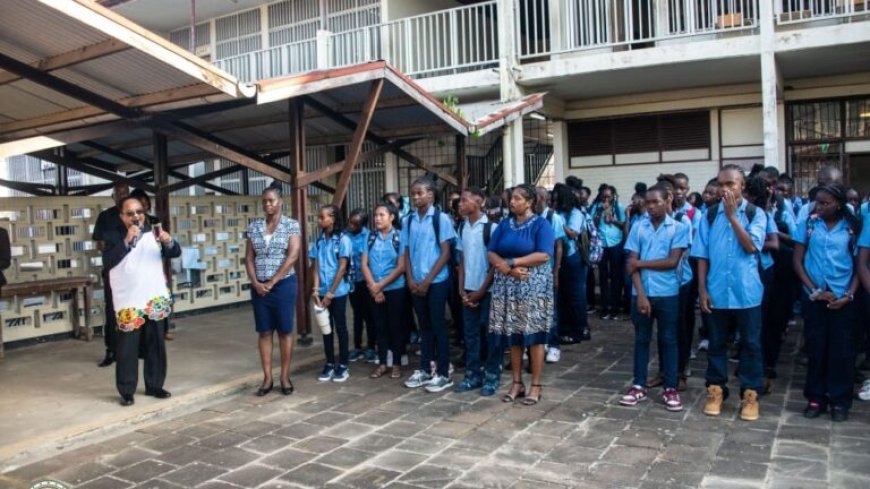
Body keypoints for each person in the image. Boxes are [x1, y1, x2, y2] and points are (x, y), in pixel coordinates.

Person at [691, 165, 767, 422]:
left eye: (731, 184)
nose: (725, 190)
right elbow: (701, 255)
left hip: (746, 292)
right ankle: (716, 390)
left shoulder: (756, 214)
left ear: (742, 186)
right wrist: (702, 289)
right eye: (721, 184)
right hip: (717, 291)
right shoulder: (709, 215)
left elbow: (750, 247)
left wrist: (733, 216)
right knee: (716, 343)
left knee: (751, 344)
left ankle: (750, 393)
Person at [104, 196, 180, 406]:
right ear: (122, 217)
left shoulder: (154, 232)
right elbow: (108, 261)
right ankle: (127, 390)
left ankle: (155, 385)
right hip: (129, 300)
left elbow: (174, 252)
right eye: (130, 214)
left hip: (153, 296)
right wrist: (127, 240)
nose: (136, 216)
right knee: (127, 347)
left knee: (156, 343)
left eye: (139, 212)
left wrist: (168, 240)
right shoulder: (112, 235)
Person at [795, 183, 861, 422]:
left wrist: (848, 295)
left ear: (839, 204)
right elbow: (798, 261)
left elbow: (859, 266)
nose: (820, 207)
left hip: (843, 296)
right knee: (816, 347)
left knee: (841, 350)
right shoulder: (810, 223)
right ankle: (816, 396)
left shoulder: (852, 227)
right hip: (815, 295)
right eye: (817, 203)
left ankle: (840, 400)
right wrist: (814, 291)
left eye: (826, 203)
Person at [620, 183, 688, 411]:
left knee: (669, 340)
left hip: (668, 293)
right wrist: (640, 294)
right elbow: (631, 265)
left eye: (655, 202)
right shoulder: (639, 227)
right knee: (641, 340)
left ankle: (671, 388)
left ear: (667, 200)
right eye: (647, 202)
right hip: (641, 293)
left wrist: (641, 263)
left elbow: (672, 261)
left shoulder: (678, 228)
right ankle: (638, 385)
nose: (650, 207)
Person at [487, 184, 555, 406]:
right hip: (508, 286)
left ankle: (536, 384)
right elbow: (491, 251)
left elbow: (544, 255)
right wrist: (506, 268)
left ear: (529, 202)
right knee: (513, 336)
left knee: (534, 336)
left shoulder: (541, 224)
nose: (512, 202)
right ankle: (516, 382)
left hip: (532, 287)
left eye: (517, 198)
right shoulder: (505, 224)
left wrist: (513, 262)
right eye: (511, 198)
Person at [244, 183, 301, 396]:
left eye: (271, 200)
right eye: (265, 201)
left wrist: (273, 281)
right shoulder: (254, 227)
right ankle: (267, 377)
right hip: (259, 288)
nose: (268, 204)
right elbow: (249, 257)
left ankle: (284, 376)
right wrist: (256, 282)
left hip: (284, 285)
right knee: (265, 331)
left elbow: (293, 255)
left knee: (285, 330)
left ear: (280, 202)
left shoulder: (291, 225)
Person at [402, 177, 457, 393]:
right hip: (416, 282)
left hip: (436, 281)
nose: (415, 197)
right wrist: (410, 279)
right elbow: (406, 251)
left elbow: (445, 253)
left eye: (419, 193)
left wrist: (427, 281)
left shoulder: (441, 219)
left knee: (438, 326)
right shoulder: (408, 220)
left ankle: (443, 372)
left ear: (431, 195)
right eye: (413, 193)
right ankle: (425, 369)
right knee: (424, 327)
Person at [454, 187, 499, 394]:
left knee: (490, 334)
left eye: (464, 200)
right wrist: (462, 289)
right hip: (469, 289)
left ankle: (491, 376)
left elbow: (494, 265)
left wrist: (481, 290)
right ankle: (473, 375)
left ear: (479, 202)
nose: (460, 204)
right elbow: (462, 260)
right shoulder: (462, 227)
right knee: (470, 335)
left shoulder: (491, 228)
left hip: (487, 291)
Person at [362, 202, 407, 379]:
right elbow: (364, 264)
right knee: (379, 326)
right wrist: (374, 287)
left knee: (395, 326)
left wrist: (380, 285)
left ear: (392, 217)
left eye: (382, 215)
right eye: (376, 215)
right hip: (374, 289)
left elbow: (401, 266)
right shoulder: (370, 237)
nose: (377, 218)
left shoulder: (400, 237)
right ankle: (382, 363)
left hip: (395, 288)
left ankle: (396, 363)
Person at [311, 205, 353, 383]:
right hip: (321, 292)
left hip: (338, 292)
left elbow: (342, 267)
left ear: (333, 219)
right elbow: (316, 266)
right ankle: (329, 362)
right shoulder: (319, 241)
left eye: (322, 217)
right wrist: (315, 289)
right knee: (325, 328)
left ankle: (343, 364)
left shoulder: (343, 240)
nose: (319, 220)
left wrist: (330, 293)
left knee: (340, 326)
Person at [93, 183, 130, 368]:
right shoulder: (105, 217)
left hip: (134, 272)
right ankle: (111, 350)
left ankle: (134, 349)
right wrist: (116, 249)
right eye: (119, 193)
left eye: (125, 193)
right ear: (112, 196)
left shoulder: (135, 216)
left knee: (134, 309)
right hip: (113, 270)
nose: (122, 196)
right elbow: (99, 244)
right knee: (112, 311)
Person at [130, 188, 174, 341]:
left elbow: (165, 244)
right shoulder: (129, 226)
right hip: (135, 272)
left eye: (146, 204)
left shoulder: (154, 221)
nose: (144, 208)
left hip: (155, 266)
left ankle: (165, 328)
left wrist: (166, 242)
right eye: (140, 205)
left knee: (163, 298)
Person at [552, 184, 587, 346]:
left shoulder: (575, 213)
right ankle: (564, 330)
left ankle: (578, 330)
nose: (554, 201)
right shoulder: (557, 213)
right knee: (562, 295)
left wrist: (559, 223)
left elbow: (573, 233)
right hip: (558, 256)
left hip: (572, 256)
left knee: (575, 296)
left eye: (557, 199)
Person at [536, 186, 566, 364]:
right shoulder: (530, 218)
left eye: (540, 196)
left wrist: (556, 271)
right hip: (533, 272)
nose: (537, 200)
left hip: (548, 270)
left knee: (551, 310)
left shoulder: (552, 217)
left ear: (546, 199)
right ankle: (541, 343)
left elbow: (559, 246)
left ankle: (554, 345)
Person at [346, 208, 376, 364]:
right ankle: (357, 347)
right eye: (350, 222)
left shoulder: (369, 236)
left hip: (367, 280)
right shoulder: (345, 236)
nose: (351, 225)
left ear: (363, 224)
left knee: (370, 315)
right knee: (357, 314)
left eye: (355, 224)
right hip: (352, 281)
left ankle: (371, 346)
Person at [592, 185, 626, 320]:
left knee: (616, 277)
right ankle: (605, 307)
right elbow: (591, 224)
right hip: (601, 245)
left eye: (609, 196)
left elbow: (624, 225)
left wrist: (613, 220)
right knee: (603, 276)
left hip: (615, 244)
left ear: (613, 196)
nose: (606, 199)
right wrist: (600, 213)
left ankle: (615, 308)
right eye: (604, 196)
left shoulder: (619, 207)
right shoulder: (596, 207)